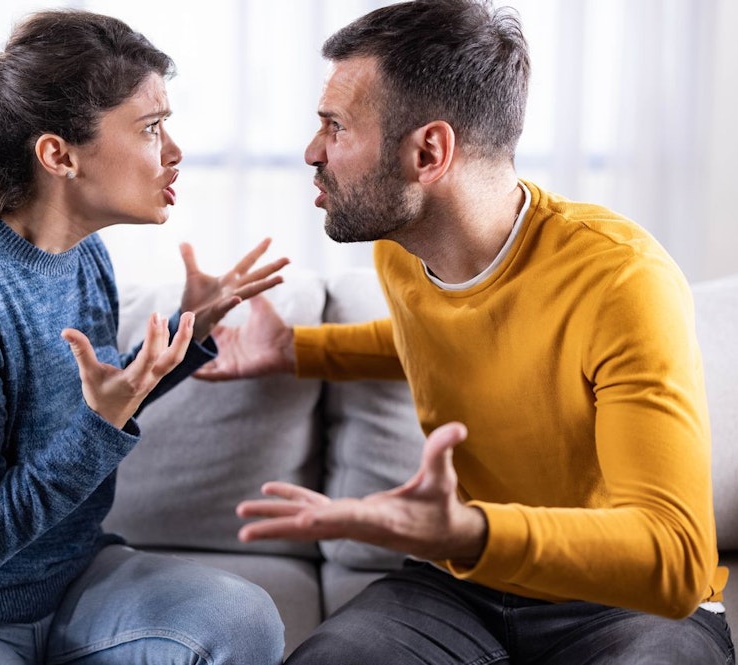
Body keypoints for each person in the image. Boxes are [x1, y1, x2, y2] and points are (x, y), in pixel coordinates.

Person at [197, 1, 735, 663]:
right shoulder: (401, 249)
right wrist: (295, 350)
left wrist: (471, 530)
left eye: (335, 127)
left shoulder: (620, 279)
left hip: (620, 600)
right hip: (461, 586)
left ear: (429, 151)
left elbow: (674, 559)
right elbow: (446, 338)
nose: (313, 151)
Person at [0, 10, 289, 665]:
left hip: (70, 577)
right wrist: (102, 424)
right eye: (151, 127)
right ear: (58, 155)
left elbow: (93, 404)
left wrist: (190, 329)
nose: (174, 151)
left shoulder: (84, 255)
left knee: (243, 623)